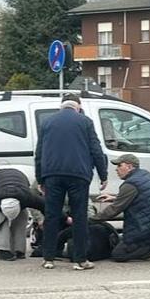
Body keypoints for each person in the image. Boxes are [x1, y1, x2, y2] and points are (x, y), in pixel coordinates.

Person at [34, 94, 108, 271]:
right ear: (78, 106)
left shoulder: (47, 122)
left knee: (51, 215)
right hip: (78, 175)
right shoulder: (85, 122)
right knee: (80, 216)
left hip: (52, 174)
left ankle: (48, 257)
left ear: (61, 106)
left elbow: (39, 152)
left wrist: (40, 178)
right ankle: (80, 259)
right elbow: (96, 150)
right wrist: (103, 175)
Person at [92, 154, 150, 263]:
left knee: (119, 255)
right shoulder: (144, 175)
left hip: (149, 227)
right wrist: (115, 198)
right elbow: (140, 197)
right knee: (116, 239)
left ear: (129, 167)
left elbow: (113, 210)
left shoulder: (130, 184)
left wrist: (92, 219)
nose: (116, 169)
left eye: (119, 166)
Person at [0, 168, 45, 261]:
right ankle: (6, 249)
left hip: (20, 187)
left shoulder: (29, 197)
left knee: (21, 217)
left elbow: (45, 207)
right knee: (2, 218)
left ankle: (14, 249)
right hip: (0, 185)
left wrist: (42, 220)